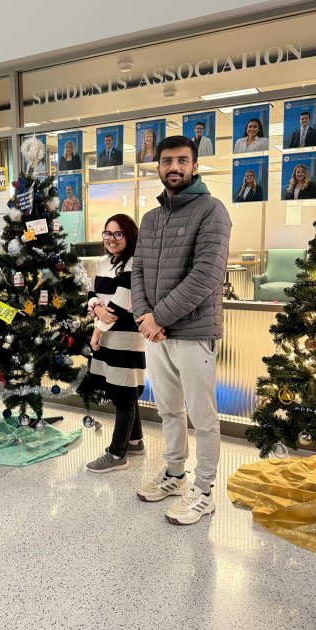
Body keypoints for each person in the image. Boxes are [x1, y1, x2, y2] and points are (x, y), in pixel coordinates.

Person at [131, 136, 231, 525]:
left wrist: (159, 318)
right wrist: (143, 316)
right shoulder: (152, 218)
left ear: (195, 166)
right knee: (169, 410)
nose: (174, 167)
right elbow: (138, 271)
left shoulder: (212, 211)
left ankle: (204, 491)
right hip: (155, 335)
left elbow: (206, 275)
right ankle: (175, 474)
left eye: (182, 161)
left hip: (192, 333)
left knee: (202, 417)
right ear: (158, 167)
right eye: (167, 161)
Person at [85, 214, 146, 473]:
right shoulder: (104, 262)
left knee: (123, 393)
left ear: (129, 236)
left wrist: (97, 330)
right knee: (122, 388)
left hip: (126, 335)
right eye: (107, 233)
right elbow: (92, 293)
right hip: (109, 332)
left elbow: (122, 303)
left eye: (118, 234)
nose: (111, 239)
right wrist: (96, 307)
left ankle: (117, 453)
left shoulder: (134, 263)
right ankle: (134, 440)